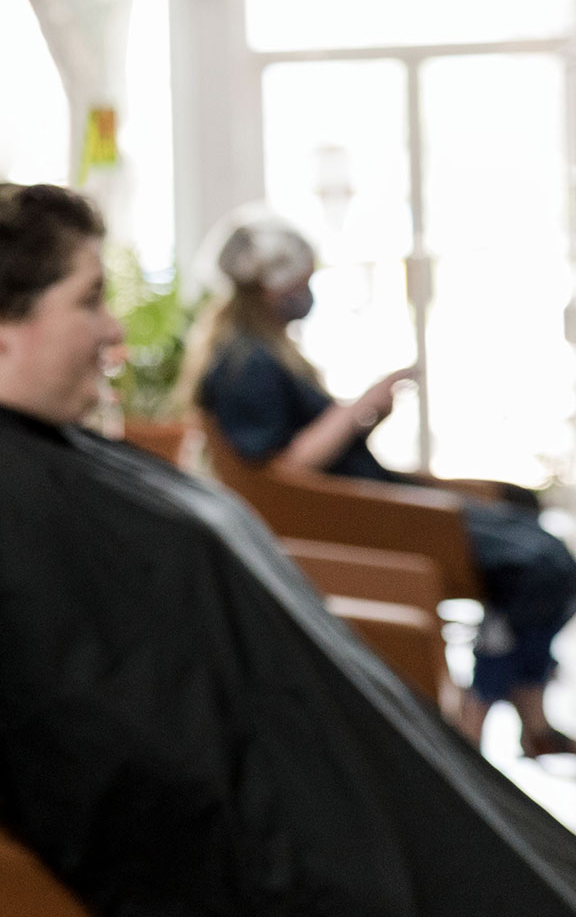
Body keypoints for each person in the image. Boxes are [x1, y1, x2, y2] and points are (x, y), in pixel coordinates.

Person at [0, 183, 576, 917]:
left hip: (322, 775)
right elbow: (95, 750)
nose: (115, 328)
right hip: (275, 831)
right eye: (90, 300)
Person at [184, 213, 576, 753]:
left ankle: (529, 718)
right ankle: (476, 716)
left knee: (524, 511)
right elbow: (287, 468)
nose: (309, 292)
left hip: (374, 496)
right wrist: (358, 408)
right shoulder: (246, 364)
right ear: (275, 284)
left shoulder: (264, 352)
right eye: (303, 282)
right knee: (542, 565)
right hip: (362, 517)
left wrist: (366, 416)